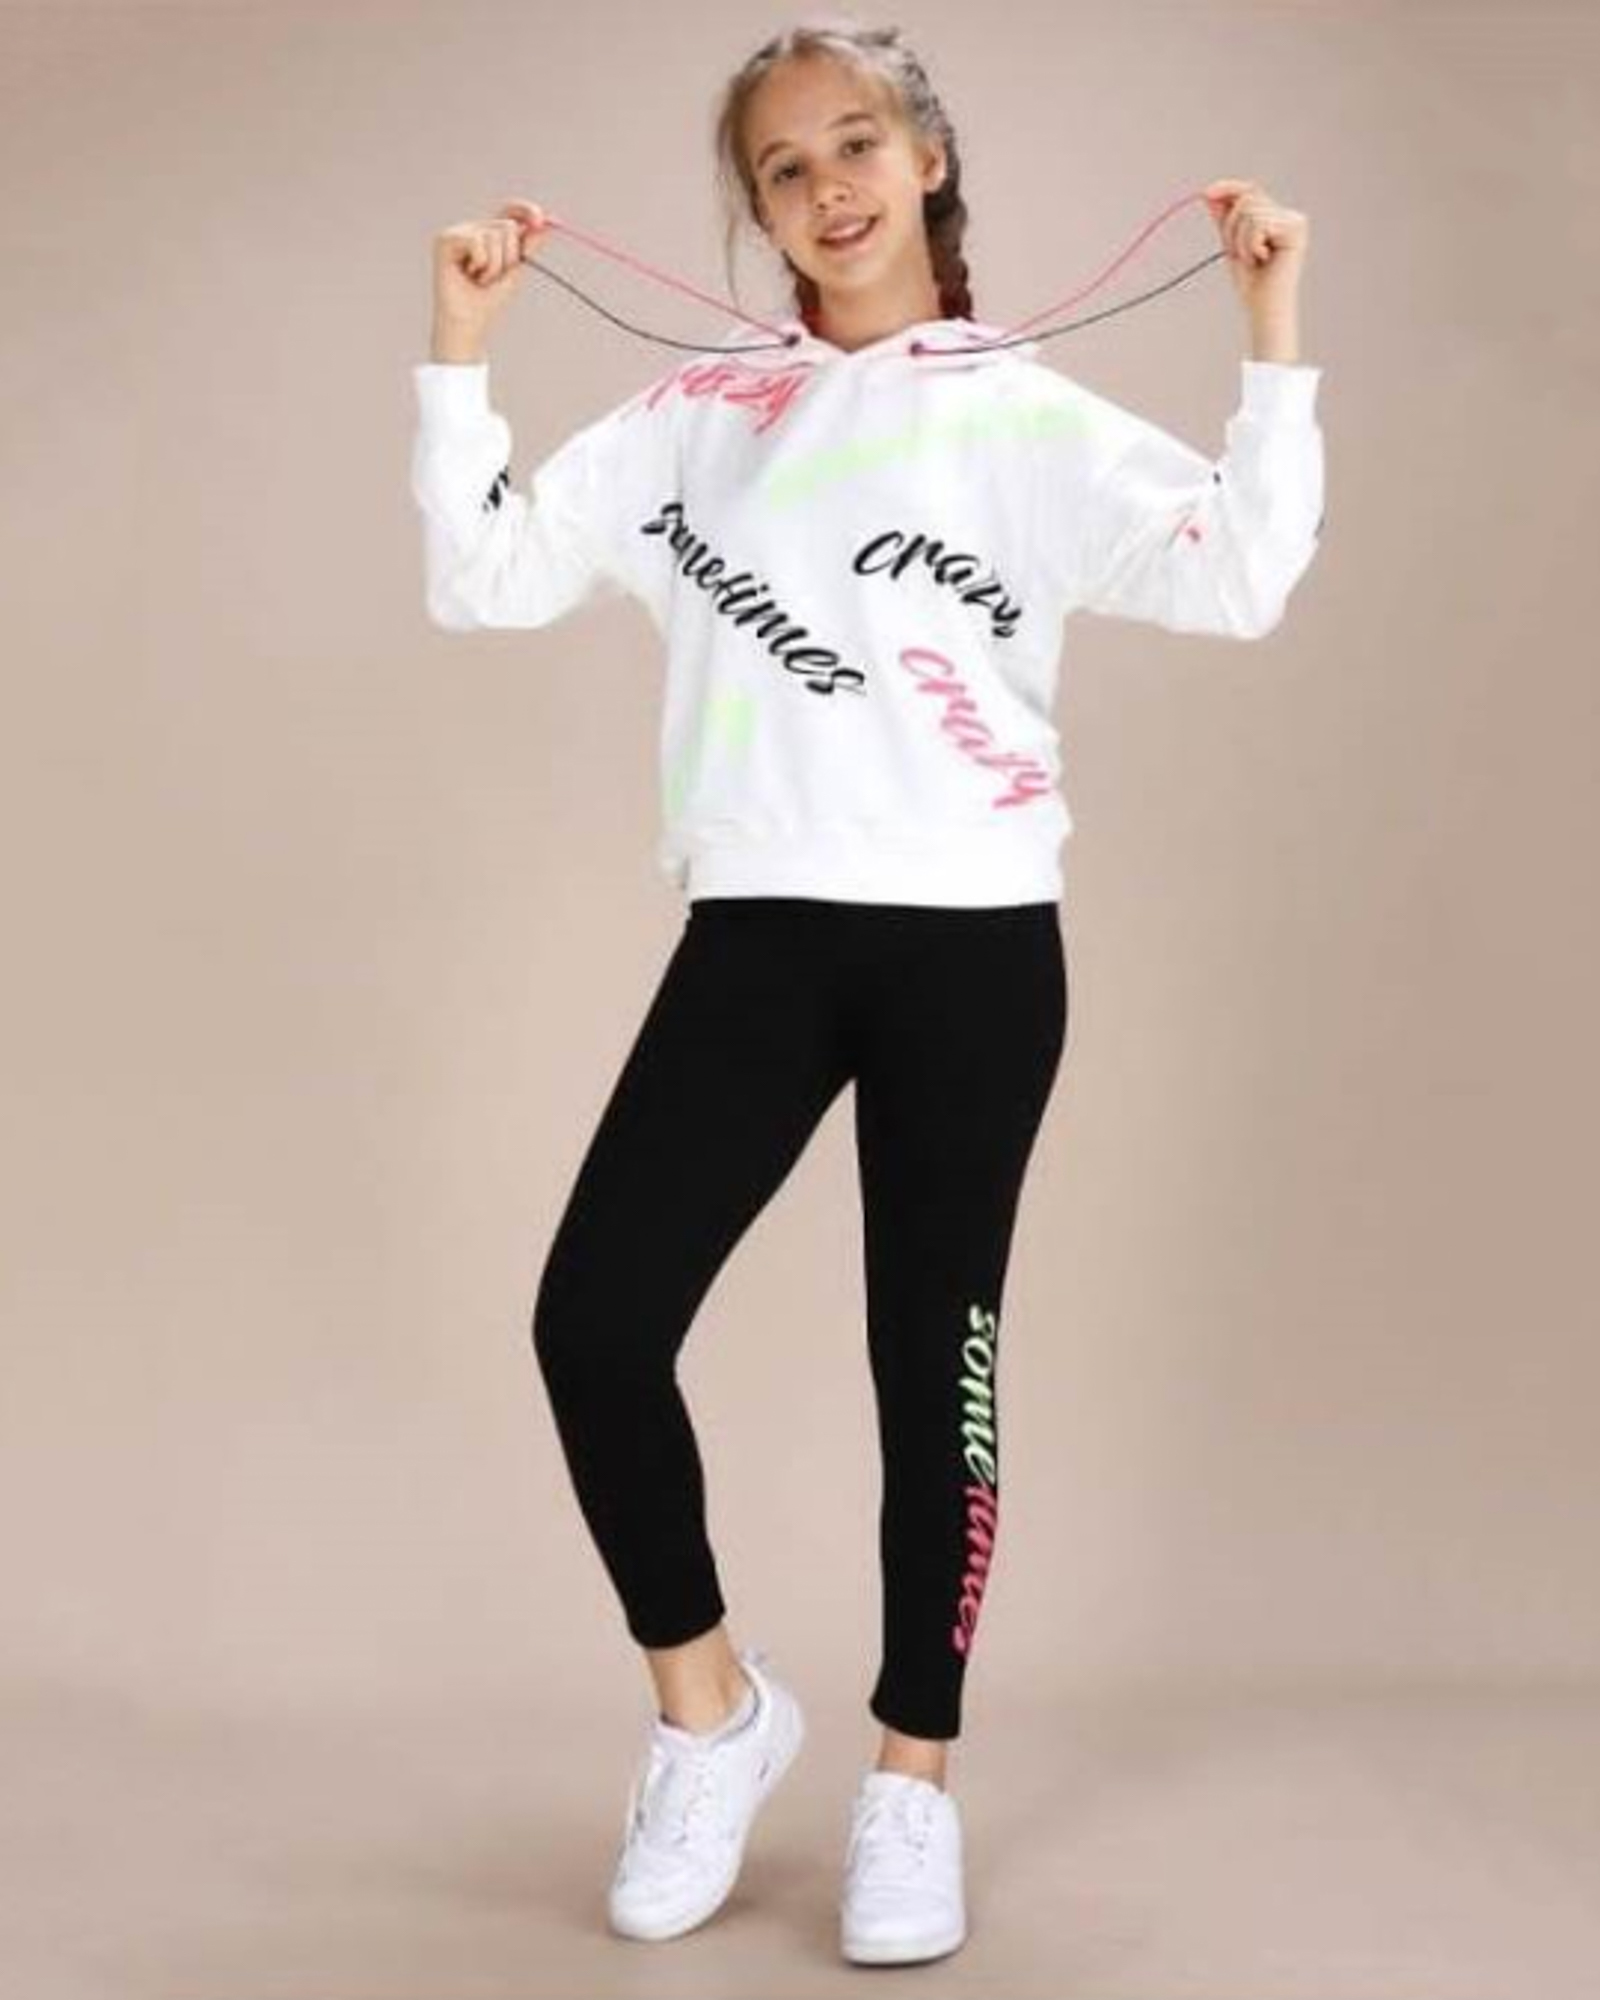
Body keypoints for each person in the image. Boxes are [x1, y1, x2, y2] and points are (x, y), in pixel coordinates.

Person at [408, 15, 1324, 1967]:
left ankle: (913, 1779)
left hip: (973, 945)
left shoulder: (1022, 414)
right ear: (757, 210)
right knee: (595, 1323)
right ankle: (712, 1717)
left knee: (935, 1366)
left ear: (926, 162)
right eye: (783, 166)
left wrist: (1271, 333)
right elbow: (485, 579)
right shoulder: (701, 417)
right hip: (761, 933)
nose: (825, 187)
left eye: (855, 144)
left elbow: (1238, 575)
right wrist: (459, 360)